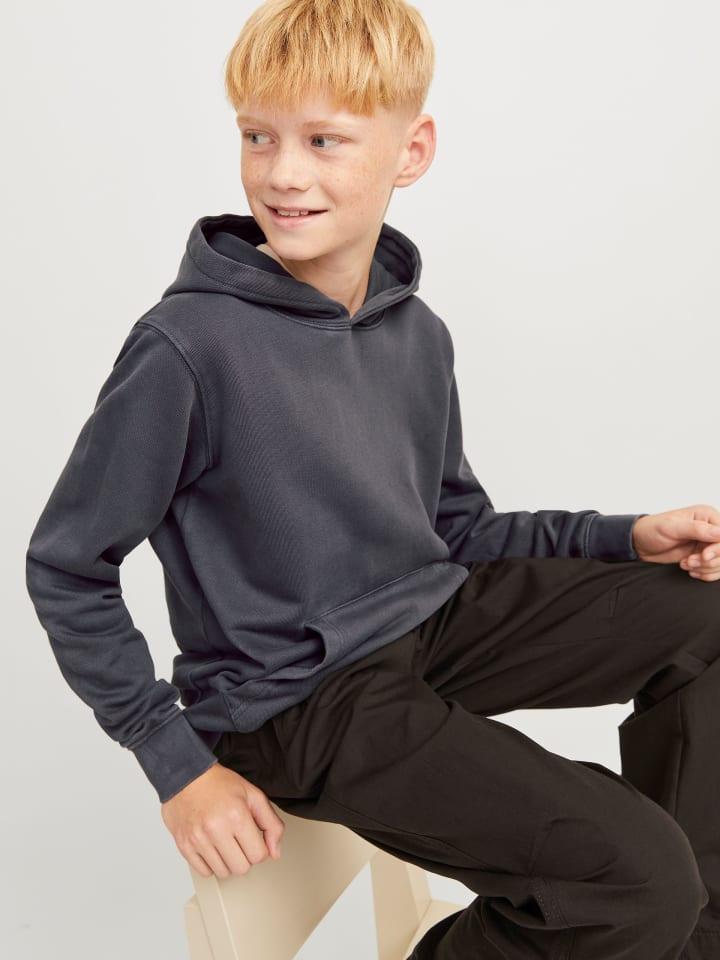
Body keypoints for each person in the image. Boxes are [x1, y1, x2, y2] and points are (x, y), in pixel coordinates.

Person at [24, 1, 720, 957]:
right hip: (296, 700)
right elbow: (67, 566)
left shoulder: (413, 331)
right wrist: (173, 761)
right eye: (258, 136)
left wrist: (623, 537)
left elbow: (459, 534)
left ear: (412, 150)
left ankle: (687, 941)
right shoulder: (188, 348)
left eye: (324, 140)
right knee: (636, 874)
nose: (282, 172)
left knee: (706, 615)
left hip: (425, 624)